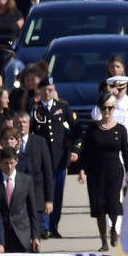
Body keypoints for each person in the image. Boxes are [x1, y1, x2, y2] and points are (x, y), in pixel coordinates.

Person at [79, 92, 128, 251]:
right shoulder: (92, 129)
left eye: (110, 108)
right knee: (99, 207)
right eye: (104, 108)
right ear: (100, 109)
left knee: (113, 204)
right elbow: (85, 152)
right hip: (96, 172)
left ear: (114, 108)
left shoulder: (120, 129)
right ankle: (103, 241)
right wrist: (82, 170)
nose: (107, 111)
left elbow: (126, 152)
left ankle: (114, 228)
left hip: (114, 171)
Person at [30, 78, 80, 238]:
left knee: (57, 195)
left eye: (50, 90)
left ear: (54, 91)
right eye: (45, 90)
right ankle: (43, 227)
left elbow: (77, 130)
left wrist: (75, 150)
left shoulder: (62, 107)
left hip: (59, 159)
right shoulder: (35, 109)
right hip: (41, 160)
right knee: (43, 193)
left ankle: (54, 226)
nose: (47, 93)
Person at [92, 75, 128, 182]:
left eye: (121, 89)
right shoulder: (106, 105)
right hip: (111, 153)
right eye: (116, 89)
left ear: (126, 88)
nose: (118, 92)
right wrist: (106, 96)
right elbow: (95, 116)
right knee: (114, 187)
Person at [0, 148, 41, 253]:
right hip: (1, 235)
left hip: (22, 233)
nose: (9, 167)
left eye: (11, 163)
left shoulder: (26, 180)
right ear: (0, 163)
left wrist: (35, 236)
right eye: (5, 163)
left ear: (16, 161)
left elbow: (32, 210)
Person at [14, 112, 54, 233]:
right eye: (19, 123)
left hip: (36, 196)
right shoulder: (10, 142)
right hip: (16, 198)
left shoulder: (39, 142)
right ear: (14, 124)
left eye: (24, 122)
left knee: (35, 234)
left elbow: (48, 172)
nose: (22, 125)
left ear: (29, 124)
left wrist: (49, 200)